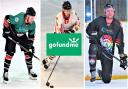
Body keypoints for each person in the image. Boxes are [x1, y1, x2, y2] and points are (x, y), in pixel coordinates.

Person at [86, 4, 127, 83]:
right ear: (105, 12)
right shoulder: (99, 20)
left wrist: (122, 56)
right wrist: (92, 34)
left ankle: (102, 73)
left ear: (114, 12)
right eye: (107, 11)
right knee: (93, 47)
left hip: (108, 53)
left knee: (107, 80)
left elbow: (119, 41)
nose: (110, 12)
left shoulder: (117, 25)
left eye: (111, 11)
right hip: (98, 49)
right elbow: (88, 29)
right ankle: (93, 72)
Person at [3, 7, 37, 83]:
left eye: (33, 18)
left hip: (22, 35)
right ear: (27, 16)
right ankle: (5, 72)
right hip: (12, 34)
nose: (32, 20)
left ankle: (30, 70)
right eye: (31, 18)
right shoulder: (19, 18)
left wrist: (30, 45)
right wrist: (5, 29)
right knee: (10, 52)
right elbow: (7, 18)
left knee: (28, 51)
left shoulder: (33, 24)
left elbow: (31, 36)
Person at [42, 1, 80, 69]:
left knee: (57, 49)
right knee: (56, 48)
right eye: (66, 10)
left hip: (69, 31)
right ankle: (49, 61)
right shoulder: (59, 16)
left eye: (69, 10)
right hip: (59, 31)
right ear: (63, 10)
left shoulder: (74, 14)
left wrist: (73, 30)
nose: (68, 12)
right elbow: (58, 29)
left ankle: (48, 59)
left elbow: (78, 24)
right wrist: (62, 38)